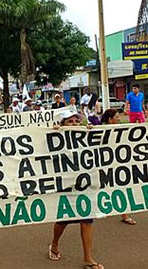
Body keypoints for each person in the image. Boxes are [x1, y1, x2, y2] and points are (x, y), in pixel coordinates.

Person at [48, 110, 104, 269]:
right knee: (64, 220)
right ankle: (54, 244)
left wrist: (94, 133)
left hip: (85, 185)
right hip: (66, 185)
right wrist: (53, 134)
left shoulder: (86, 136)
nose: (74, 124)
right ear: (63, 124)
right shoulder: (56, 138)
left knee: (87, 220)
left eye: (77, 121)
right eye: (70, 122)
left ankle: (88, 257)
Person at [100, 108, 136, 225]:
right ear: (110, 120)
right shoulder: (99, 131)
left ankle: (124, 215)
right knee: (105, 186)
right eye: (117, 117)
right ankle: (106, 208)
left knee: (122, 187)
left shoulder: (122, 130)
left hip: (119, 163)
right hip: (105, 163)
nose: (119, 119)